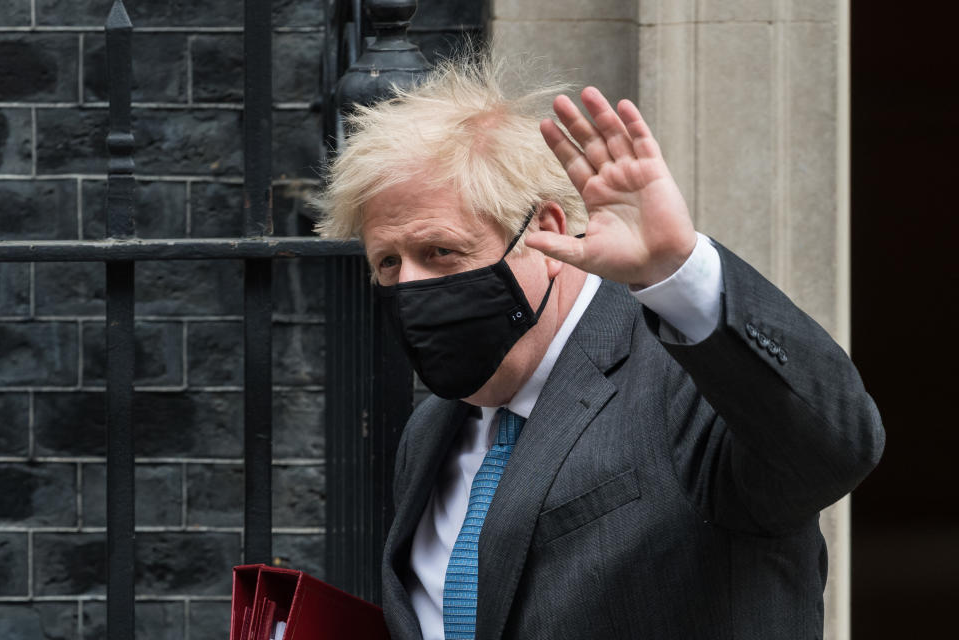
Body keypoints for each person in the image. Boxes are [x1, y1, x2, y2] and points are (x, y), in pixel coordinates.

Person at [316, 55, 884, 640]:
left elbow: (834, 445)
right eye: (388, 263)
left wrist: (678, 270)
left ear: (549, 233)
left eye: (440, 251)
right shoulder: (431, 432)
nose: (409, 287)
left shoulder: (687, 379)